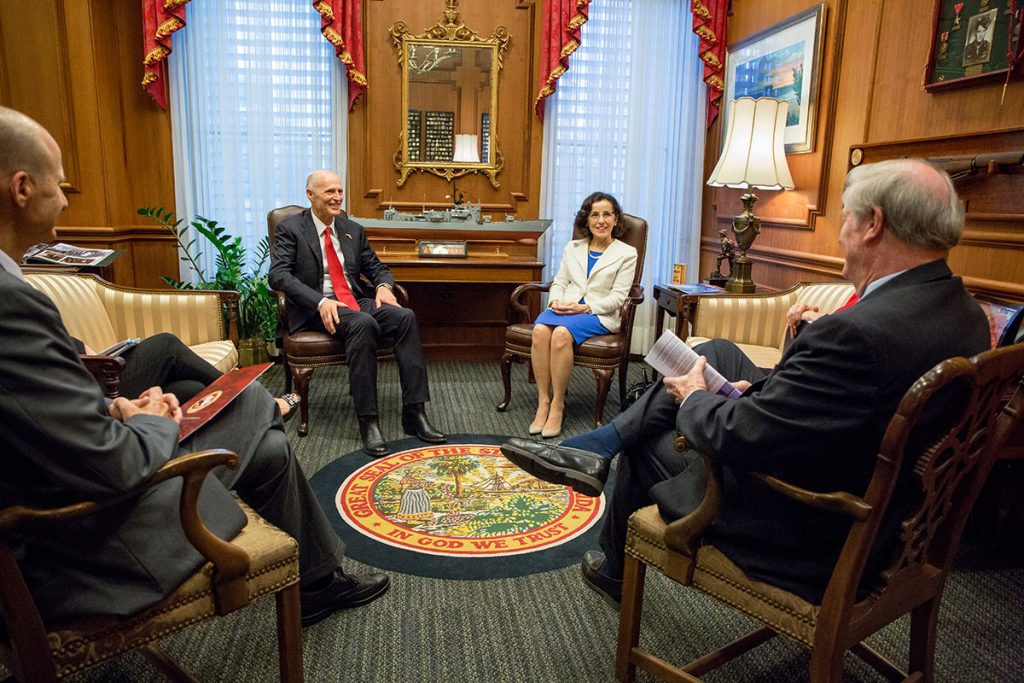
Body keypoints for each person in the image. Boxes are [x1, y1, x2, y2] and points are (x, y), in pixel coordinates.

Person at [500, 159, 990, 605]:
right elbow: (849, 397)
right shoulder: (966, 313)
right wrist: (769, 373)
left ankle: (611, 547)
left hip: (810, 527)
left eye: (844, 218)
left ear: (873, 225)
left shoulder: (856, 335)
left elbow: (742, 436)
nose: (840, 233)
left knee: (649, 436)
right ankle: (596, 446)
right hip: (886, 508)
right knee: (714, 352)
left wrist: (696, 397)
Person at [0, 106, 387, 628]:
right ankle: (316, 574)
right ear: (21, 188)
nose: (67, 199)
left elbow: (37, 415)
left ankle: (316, 584)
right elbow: (112, 465)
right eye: (60, 185)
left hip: (65, 492)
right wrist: (152, 421)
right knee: (250, 402)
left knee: (262, 440)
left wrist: (114, 404)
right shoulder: (10, 302)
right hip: (79, 548)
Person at [268, 170, 446, 456]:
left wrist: (384, 286)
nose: (337, 197)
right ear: (310, 195)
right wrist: (319, 302)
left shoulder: (352, 229)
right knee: (363, 324)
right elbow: (278, 276)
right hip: (316, 307)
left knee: (405, 318)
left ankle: (415, 413)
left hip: (353, 300)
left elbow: (375, 267)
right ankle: (368, 421)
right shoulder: (291, 229)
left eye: (339, 191)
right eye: (329, 192)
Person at [528, 192, 638, 438]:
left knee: (562, 335)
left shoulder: (627, 253)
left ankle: (558, 405)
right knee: (539, 330)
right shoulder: (572, 247)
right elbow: (560, 281)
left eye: (607, 214)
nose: (601, 221)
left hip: (598, 313)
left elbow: (618, 298)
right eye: (595, 215)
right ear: (586, 220)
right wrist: (556, 300)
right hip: (565, 307)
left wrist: (585, 307)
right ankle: (543, 401)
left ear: (615, 219)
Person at [75, 332, 300, 419]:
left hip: (98, 370)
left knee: (189, 389)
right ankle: (262, 403)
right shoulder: (38, 311)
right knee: (166, 345)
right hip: (93, 388)